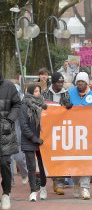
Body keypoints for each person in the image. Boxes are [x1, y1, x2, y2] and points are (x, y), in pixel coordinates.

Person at [66, 72, 92, 200]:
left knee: (85, 160)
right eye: (78, 81)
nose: (80, 83)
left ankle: (85, 188)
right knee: (75, 161)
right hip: (72, 132)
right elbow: (62, 107)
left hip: (87, 133)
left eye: (82, 82)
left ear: (86, 83)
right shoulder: (69, 93)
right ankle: (75, 184)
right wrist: (66, 106)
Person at [42, 72, 70, 195]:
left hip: (62, 128)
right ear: (53, 83)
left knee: (61, 155)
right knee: (49, 155)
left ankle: (59, 183)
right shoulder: (45, 93)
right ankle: (51, 180)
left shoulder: (66, 93)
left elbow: (69, 108)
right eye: (58, 82)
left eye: (62, 82)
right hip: (48, 129)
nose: (60, 84)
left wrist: (69, 107)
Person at [19, 84, 48, 201]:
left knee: (42, 166)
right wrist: (34, 139)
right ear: (31, 92)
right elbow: (23, 125)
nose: (38, 93)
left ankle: (43, 188)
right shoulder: (24, 105)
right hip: (29, 140)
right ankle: (32, 191)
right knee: (32, 167)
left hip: (42, 140)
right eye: (36, 91)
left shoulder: (43, 105)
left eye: (39, 91)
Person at [0, 71, 21, 210]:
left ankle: (6, 194)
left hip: (4, 131)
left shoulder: (9, 86)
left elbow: (17, 104)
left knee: (5, 163)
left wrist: (9, 120)